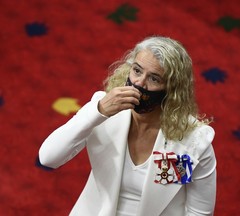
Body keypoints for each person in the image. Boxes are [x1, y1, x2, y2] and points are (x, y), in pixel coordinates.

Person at [39, 36, 217, 216]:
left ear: (172, 90)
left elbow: (199, 212)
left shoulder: (193, 141)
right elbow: (48, 158)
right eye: (137, 71)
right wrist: (98, 112)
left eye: (154, 79)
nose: (139, 83)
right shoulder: (103, 110)